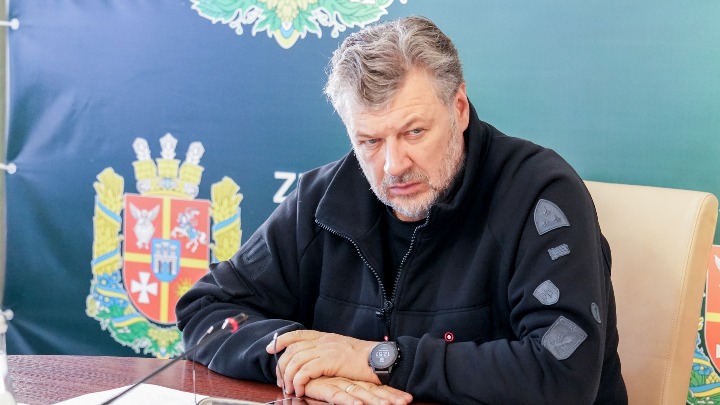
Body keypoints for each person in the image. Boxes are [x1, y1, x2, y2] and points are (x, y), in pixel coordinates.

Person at [177, 15, 627, 405]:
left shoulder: (541, 194)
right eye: (370, 141)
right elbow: (207, 309)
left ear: (459, 108)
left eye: (413, 132)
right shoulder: (321, 199)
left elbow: (562, 375)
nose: (393, 166)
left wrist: (375, 359)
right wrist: (296, 362)